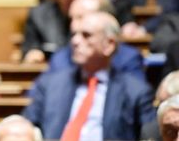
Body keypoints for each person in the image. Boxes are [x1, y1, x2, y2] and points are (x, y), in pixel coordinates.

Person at [22, 12, 156, 140]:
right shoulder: (50, 84)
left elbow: (151, 136)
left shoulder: (135, 92)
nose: (75, 41)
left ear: (109, 45)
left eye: (86, 35)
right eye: (74, 34)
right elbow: (26, 125)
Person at [46, 0, 145, 80]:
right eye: (71, 19)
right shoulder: (60, 59)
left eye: (81, 17)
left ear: (105, 17)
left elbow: (135, 97)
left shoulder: (128, 59)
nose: (73, 26)